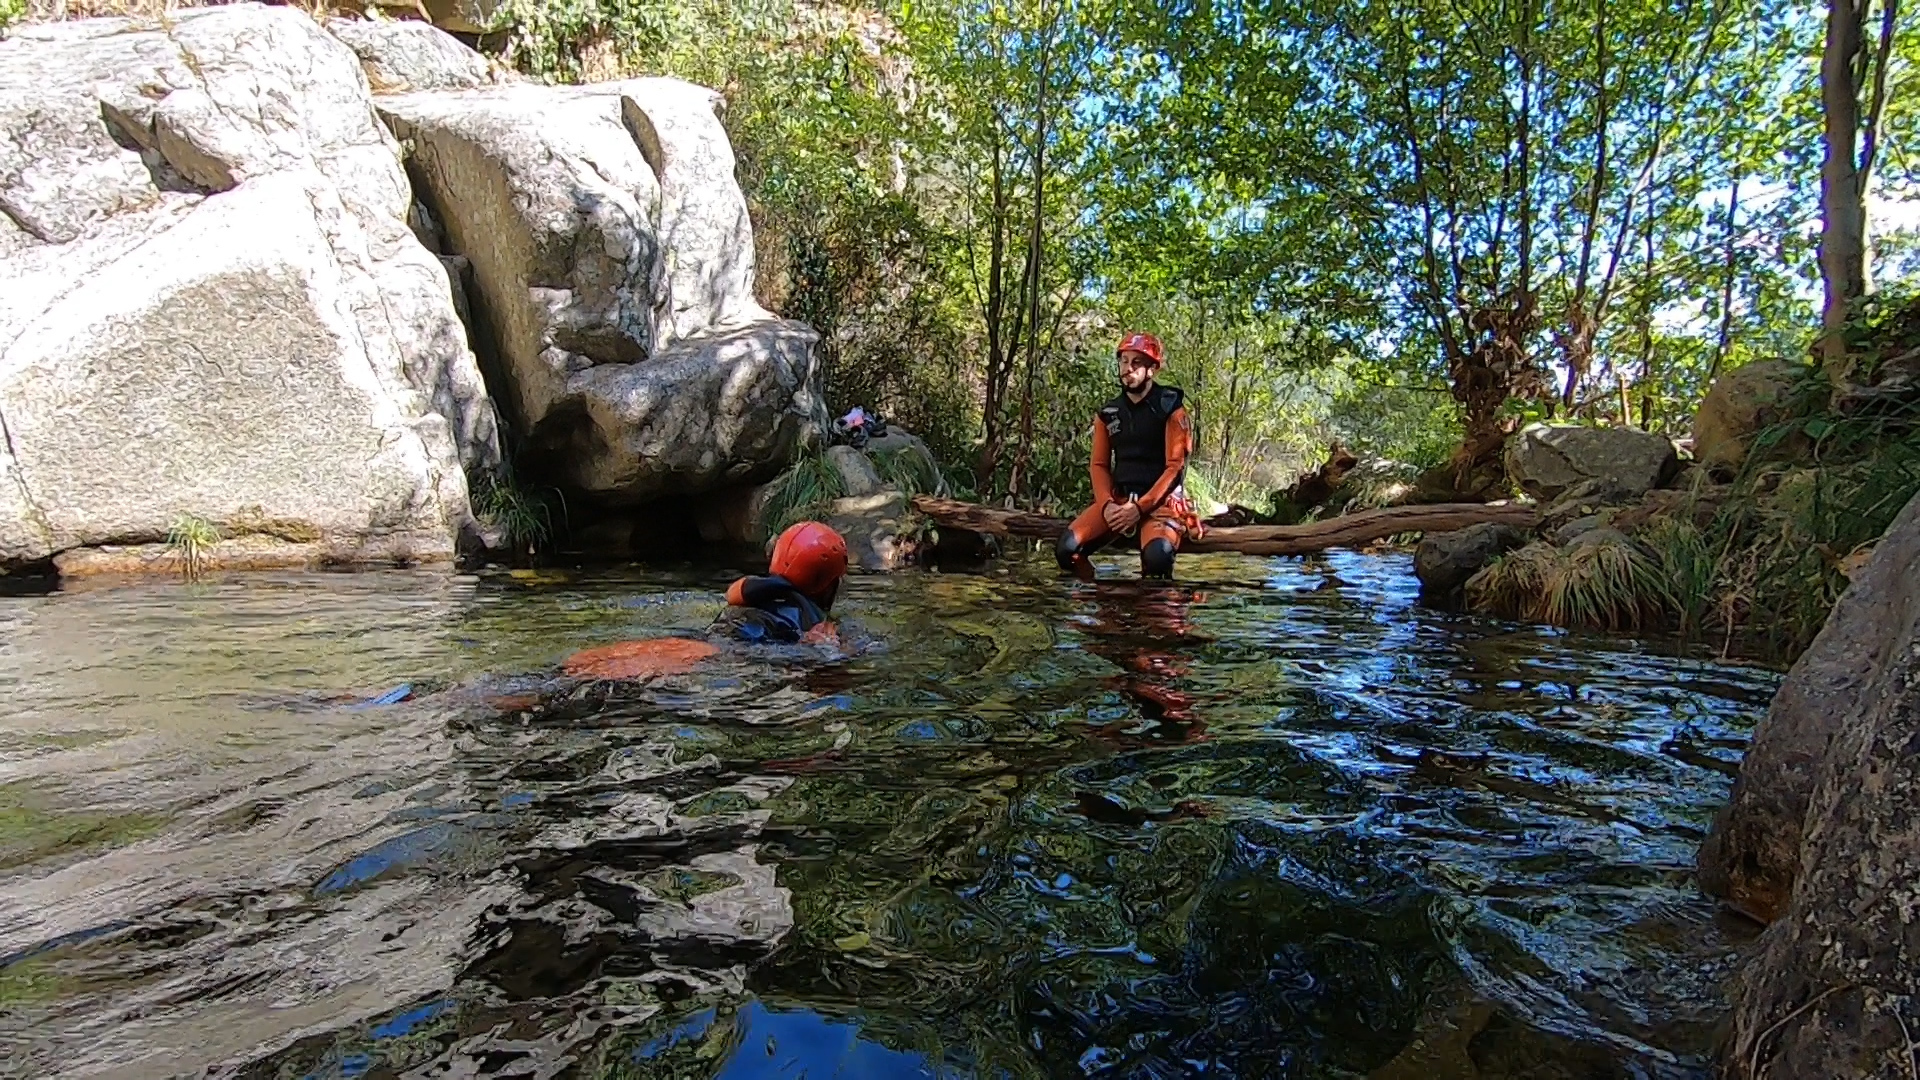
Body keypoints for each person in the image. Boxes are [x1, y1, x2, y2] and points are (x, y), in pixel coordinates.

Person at [1056, 331, 1199, 581]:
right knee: (1066, 550)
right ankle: (1102, 601)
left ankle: (1151, 613)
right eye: (1123, 361)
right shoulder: (1109, 414)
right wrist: (1107, 505)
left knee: (1158, 560)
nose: (1127, 369)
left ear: (1151, 369)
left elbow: (1175, 467)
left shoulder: (1171, 409)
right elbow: (1099, 465)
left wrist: (1139, 508)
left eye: (1136, 363)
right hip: (1119, 500)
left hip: (1160, 505)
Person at [710, 521, 849, 645]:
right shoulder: (820, 627)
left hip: (723, 631)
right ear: (829, 588)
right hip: (748, 647)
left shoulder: (749, 593)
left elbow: (730, 595)